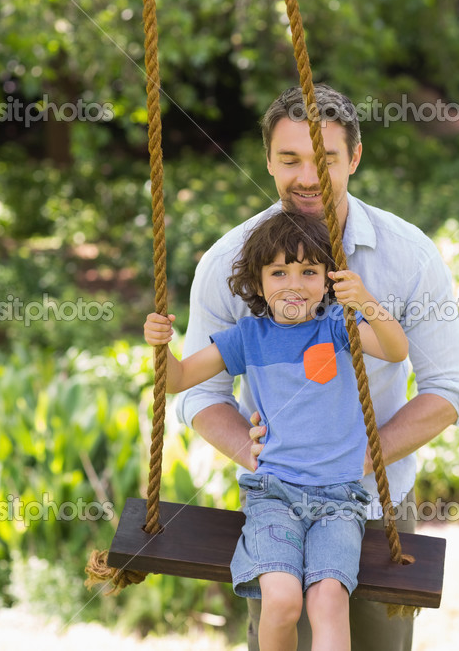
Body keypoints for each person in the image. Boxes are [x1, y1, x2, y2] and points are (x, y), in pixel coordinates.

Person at [176, 84, 459, 651]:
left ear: (354, 158)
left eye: (325, 159)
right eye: (290, 159)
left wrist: (360, 456)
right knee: (282, 623)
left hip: (375, 502)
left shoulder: (407, 255)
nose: (307, 175)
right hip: (278, 500)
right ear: (268, 161)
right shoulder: (227, 263)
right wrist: (251, 451)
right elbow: (199, 391)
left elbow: (448, 388)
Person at [145, 210, 409, 650]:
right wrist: (160, 345)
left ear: (328, 279)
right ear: (259, 280)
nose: (294, 283)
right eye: (279, 271)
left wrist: (363, 300)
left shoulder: (339, 328)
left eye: (309, 271)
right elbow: (175, 380)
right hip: (274, 493)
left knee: (328, 602)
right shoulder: (248, 337)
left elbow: (397, 350)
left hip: (339, 497)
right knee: (282, 601)